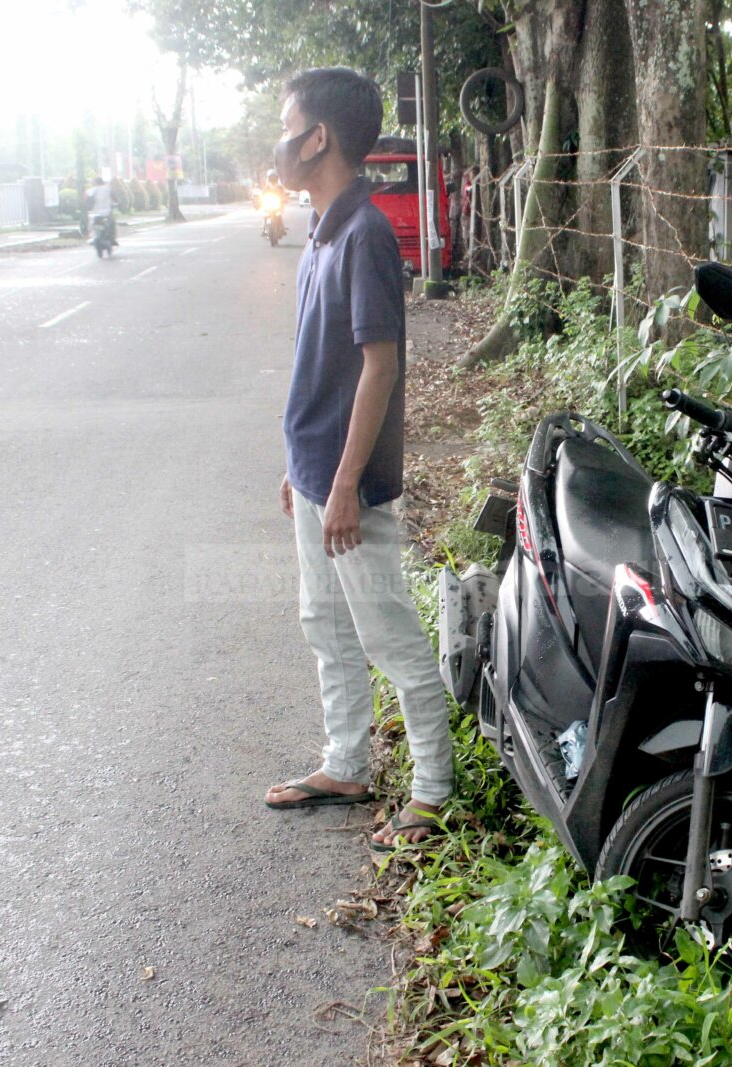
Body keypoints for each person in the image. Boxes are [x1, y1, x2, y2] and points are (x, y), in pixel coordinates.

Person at [262, 67, 454, 852]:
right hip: (315, 469)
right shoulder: (321, 226)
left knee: (388, 634)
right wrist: (302, 465)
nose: (277, 141)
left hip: (353, 484)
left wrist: (343, 483)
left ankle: (435, 791)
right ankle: (347, 762)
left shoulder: (368, 233)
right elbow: (326, 363)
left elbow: (381, 364)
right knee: (325, 622)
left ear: (318, 138)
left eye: (287, 124)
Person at [87, 177, 117, 247]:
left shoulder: (91, 190)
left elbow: (85, 199)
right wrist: (117, 203)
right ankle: (112, 238)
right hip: (107, 212)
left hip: (94, 214)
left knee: (91, 224)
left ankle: (92, 237)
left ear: (94, 183)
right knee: (112, 223)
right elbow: (114, 198)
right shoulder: (108, 189)